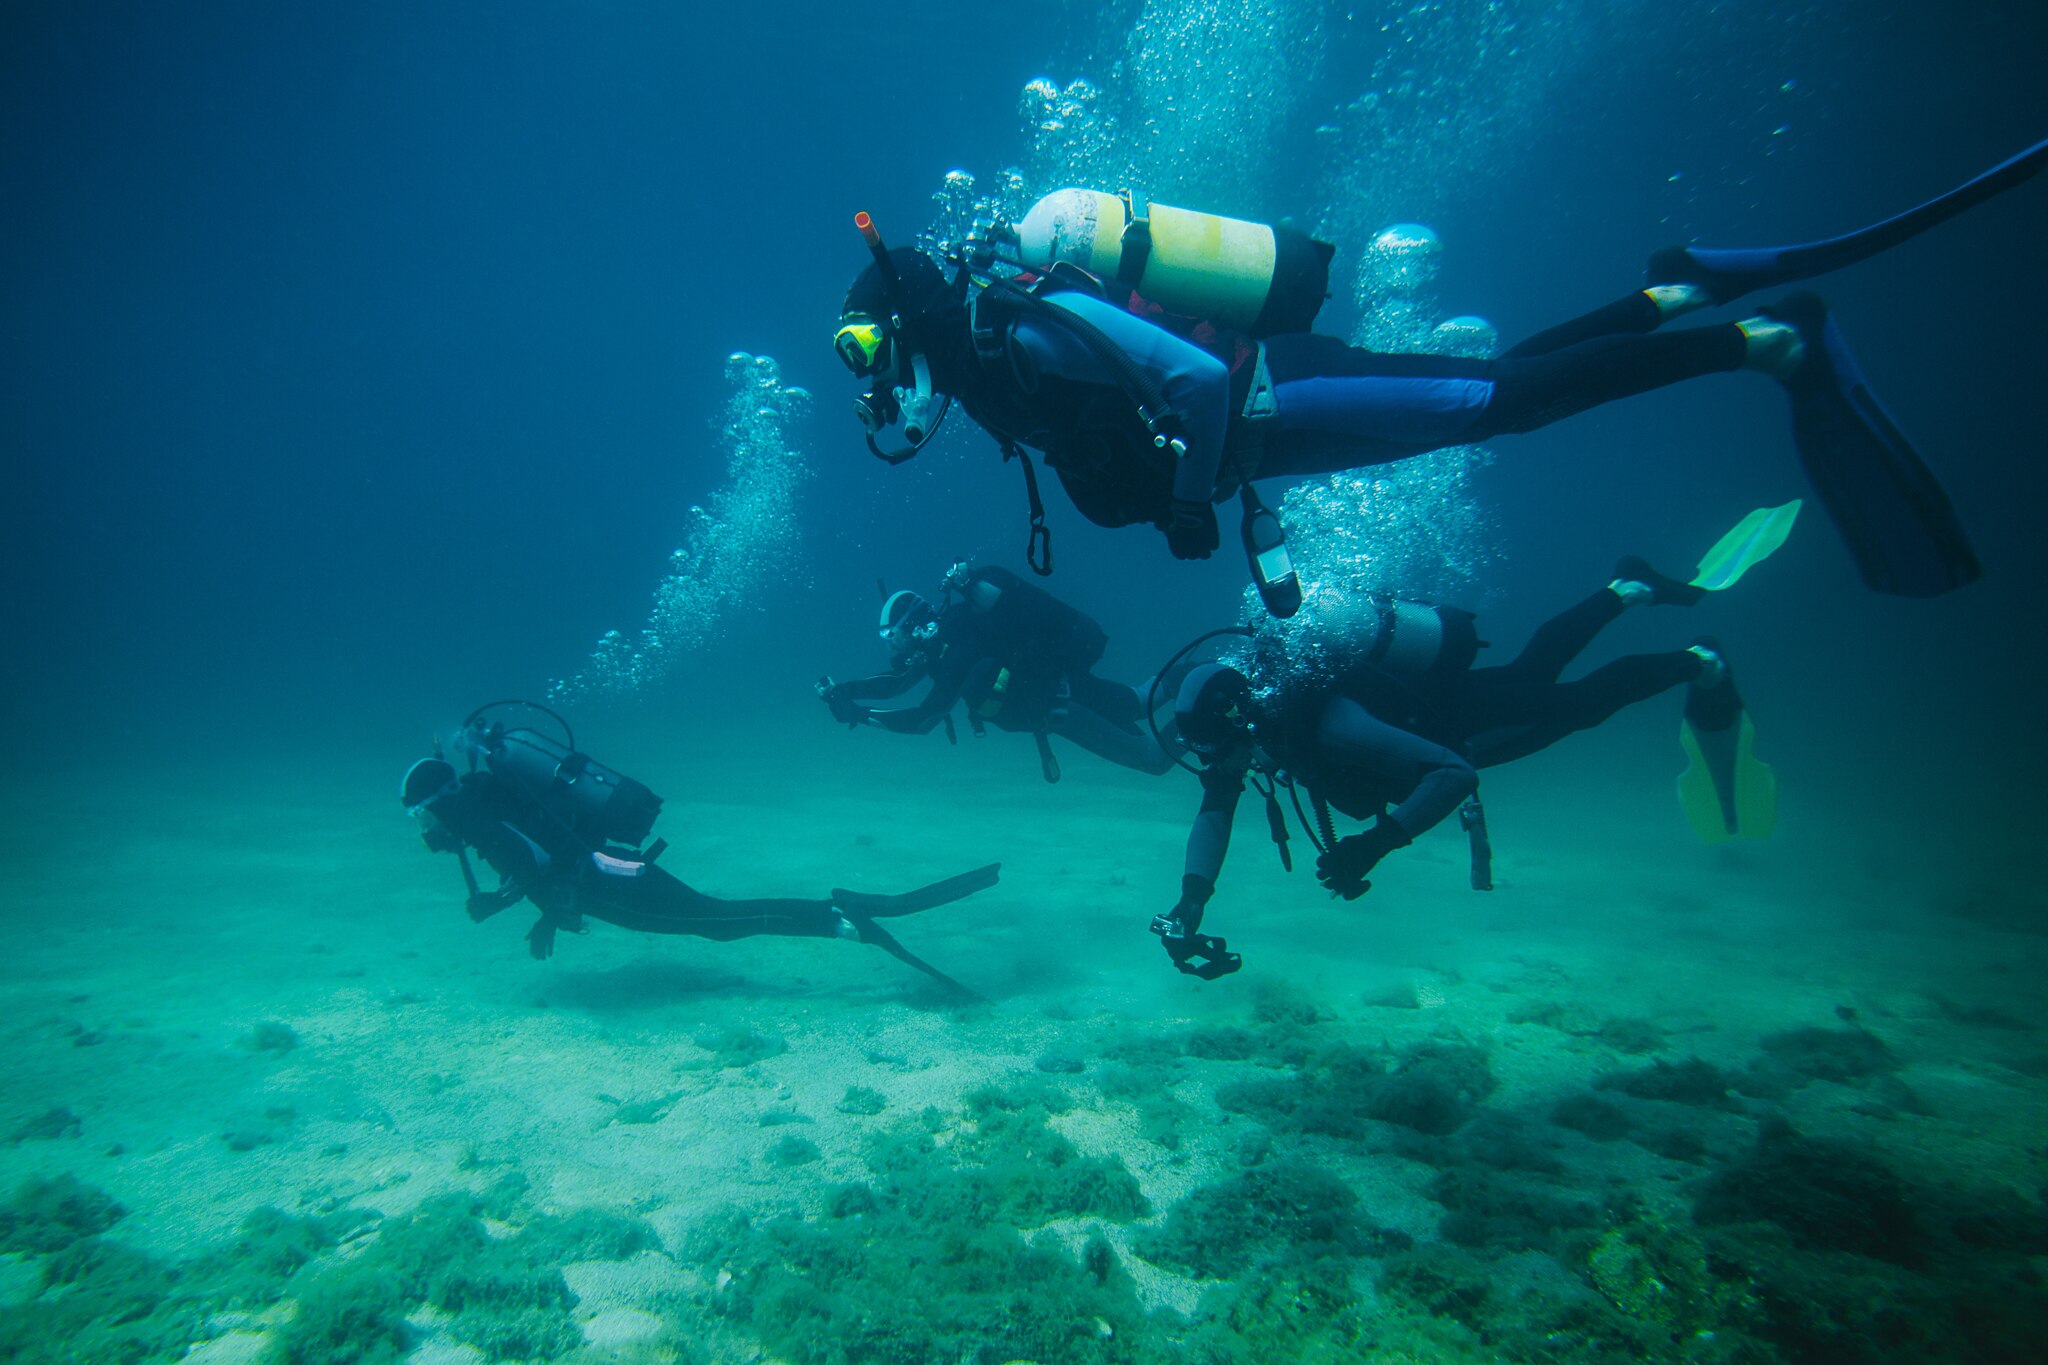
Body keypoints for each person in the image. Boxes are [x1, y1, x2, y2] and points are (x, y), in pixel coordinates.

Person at [831, 136, 2048, 601]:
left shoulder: (1020, 331)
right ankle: (1669, 295)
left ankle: (1755, 339)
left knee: (1499, 404)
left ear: (900, 330)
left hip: (1275, 395)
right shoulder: (1001, 355)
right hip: (1277, 425)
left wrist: (1196, 501)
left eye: (867, 364)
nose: (881, 398)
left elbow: (1196, 387)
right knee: (1497, 398)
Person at [1150, 551, 1772, 979]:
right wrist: (1191, 902)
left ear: (1237, 721)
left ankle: (1699, 659)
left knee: (1580, 704)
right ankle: (1628, 588)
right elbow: (1215, 810)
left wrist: (1377, 843)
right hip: (1442, 705)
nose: (1219, 766)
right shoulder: (1258, 727)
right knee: (1534, 668)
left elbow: (1453, 774)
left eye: (1214, 750)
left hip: (1465, 729)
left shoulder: (1330, 725)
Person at [401, 703, 997, 993]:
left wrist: (518, 909)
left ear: (439, 800)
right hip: (611, 867)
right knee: (718, 918)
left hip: (605, 883)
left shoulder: (477, 820)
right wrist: (538, 913)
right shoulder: (486, 796)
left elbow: (536, 861)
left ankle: (846, 919)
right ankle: (840, 913)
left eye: (422, 814)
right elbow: (539, 850)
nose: (426, 828)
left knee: (719, 921)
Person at [817, 562, 1177, 780]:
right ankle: (1197, 679)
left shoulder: (957, 647)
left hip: (1062, 706)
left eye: (890, 635)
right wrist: (842, 693)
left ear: (912, 626)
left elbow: (924, 720)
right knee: (1141, 702)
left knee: (1152, 757)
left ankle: (1209, 691)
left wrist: (861, 715)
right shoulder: (939, 649)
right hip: (1060, 698)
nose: (889, 646)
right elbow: (896, 683)